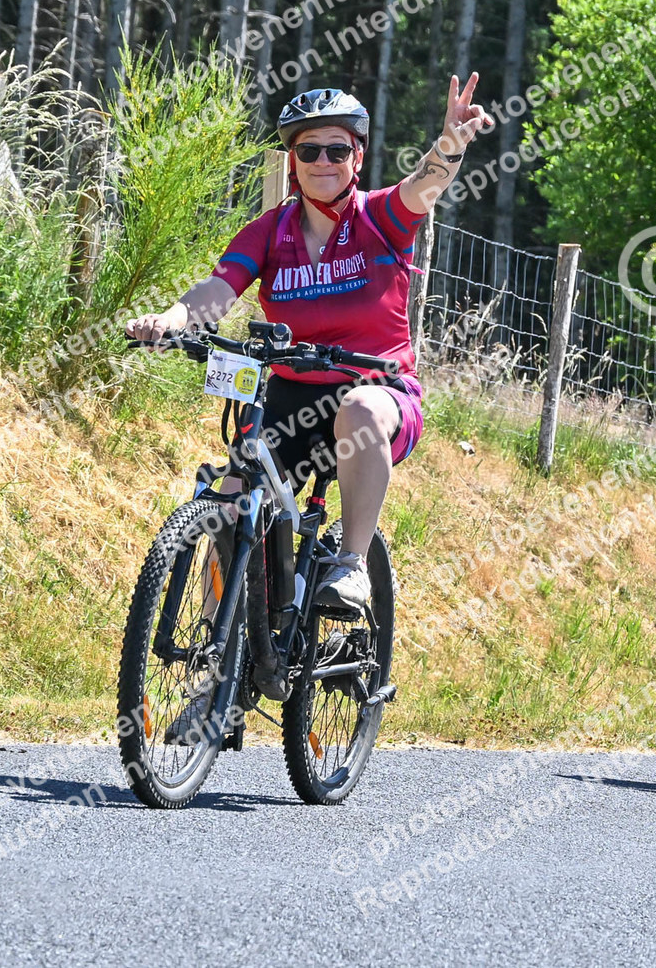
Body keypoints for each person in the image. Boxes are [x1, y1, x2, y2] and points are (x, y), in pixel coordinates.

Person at [128, 77, 491, 610]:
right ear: (292, 161)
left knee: (360, 408)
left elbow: (423, 184)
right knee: (230, 502)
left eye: (337, 150)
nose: (323, 161)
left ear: (357, 157)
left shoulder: (380, 217)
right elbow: (217, 289)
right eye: (309, 150)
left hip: (378, 392)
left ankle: (351, 565)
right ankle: (214, 645)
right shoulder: (270, 231)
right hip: (292, 395)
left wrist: (450, 145)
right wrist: (172, 318)